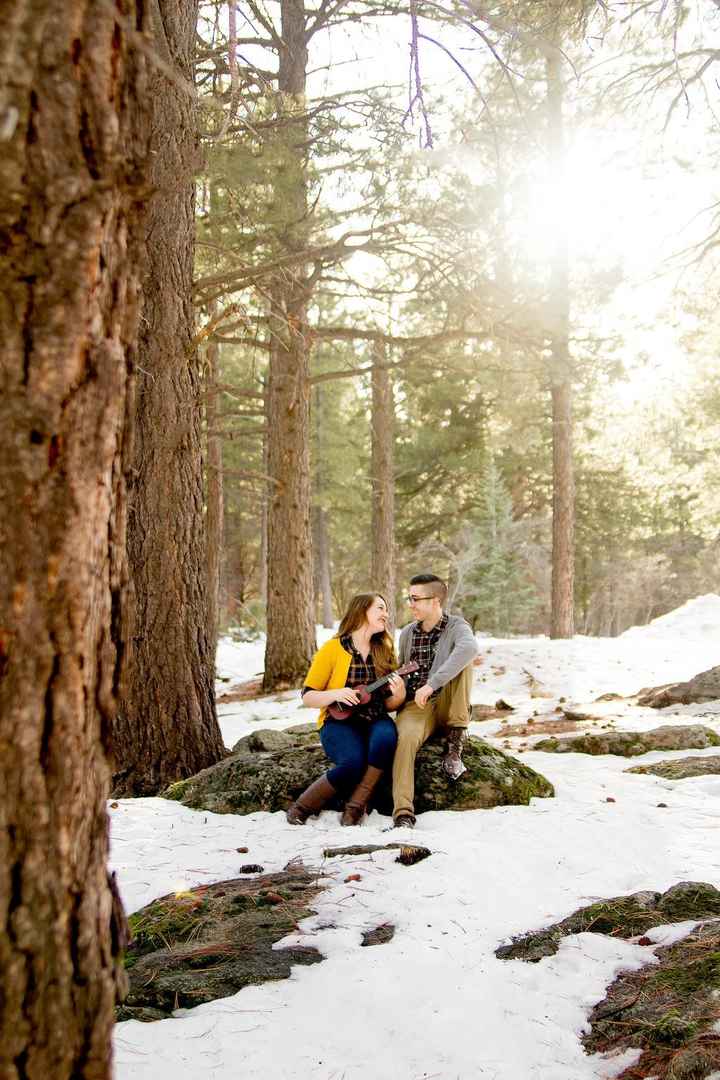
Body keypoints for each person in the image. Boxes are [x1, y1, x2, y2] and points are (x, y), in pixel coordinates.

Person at [286, 593, 406, 826]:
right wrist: (336, 693)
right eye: (380, 608)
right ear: (362, 611)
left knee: (386, 738)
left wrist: (399, 696)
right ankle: (301, 807)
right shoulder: (332, 649)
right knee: (352, 763)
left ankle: (355, 808)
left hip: (374, 718)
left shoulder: (384, 649)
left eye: (386, 609)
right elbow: (308, 696)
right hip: (338, 722)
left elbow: (389, 703)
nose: (386, 614)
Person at [392, 573, 479, 828]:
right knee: (404, 739)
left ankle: (456, 741)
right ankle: (403, 813)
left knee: (463, 661)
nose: (411, 604)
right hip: (417, 707)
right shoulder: (407, 633)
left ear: (436, 600)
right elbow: (402, 670)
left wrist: (431, 684)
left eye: (416, 598)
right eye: (410, 598)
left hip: (450, 702)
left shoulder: (457, 626)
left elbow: (469, 649)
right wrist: (397, 690)